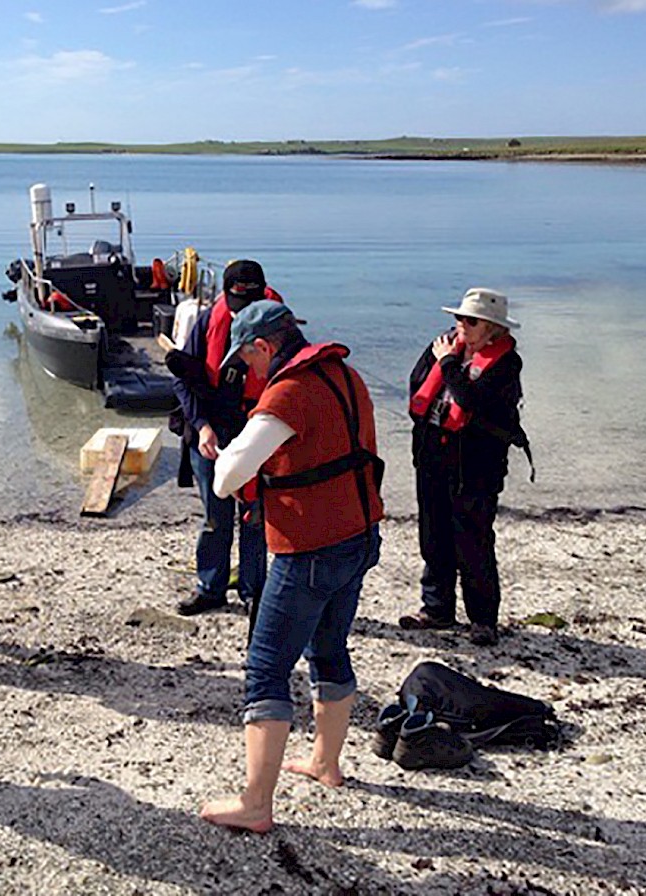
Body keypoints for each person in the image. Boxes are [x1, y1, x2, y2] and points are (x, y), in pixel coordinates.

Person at [198, 300, 385, 833]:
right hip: (359, 536)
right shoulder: (345, 376)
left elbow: (226, 478)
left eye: (248, 359)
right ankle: (326, 763)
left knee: (265, 670)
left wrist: (231, 452)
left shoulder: (288, 393)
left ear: (264, 346)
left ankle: (256, 804)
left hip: (309, 549)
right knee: (328, 649)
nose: (248, 371)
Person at [401, 287, 528, 647]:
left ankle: (483, 620)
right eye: (458, 318)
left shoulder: (506, 365)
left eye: (470, 321)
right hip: (432, 458)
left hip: (475, 467)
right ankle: (436, 609)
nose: (460, 325)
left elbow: (469, 399)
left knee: (473, 542)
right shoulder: (443, 346)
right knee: (433, 536)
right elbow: (416, 388)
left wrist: (448, 364)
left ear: (493, 329)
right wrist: (445, 361)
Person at [169, 260, 280, 616]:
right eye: (236, 305)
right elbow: (181, 378)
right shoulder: (209, 320)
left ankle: (254, 593)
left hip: (257, 428)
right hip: (213, 430)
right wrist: (201, 425)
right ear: (225, 295)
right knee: (215, 517)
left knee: (254, 516)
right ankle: (210, 587)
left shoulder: (281, 329)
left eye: (250, 306)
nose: (241, 313)